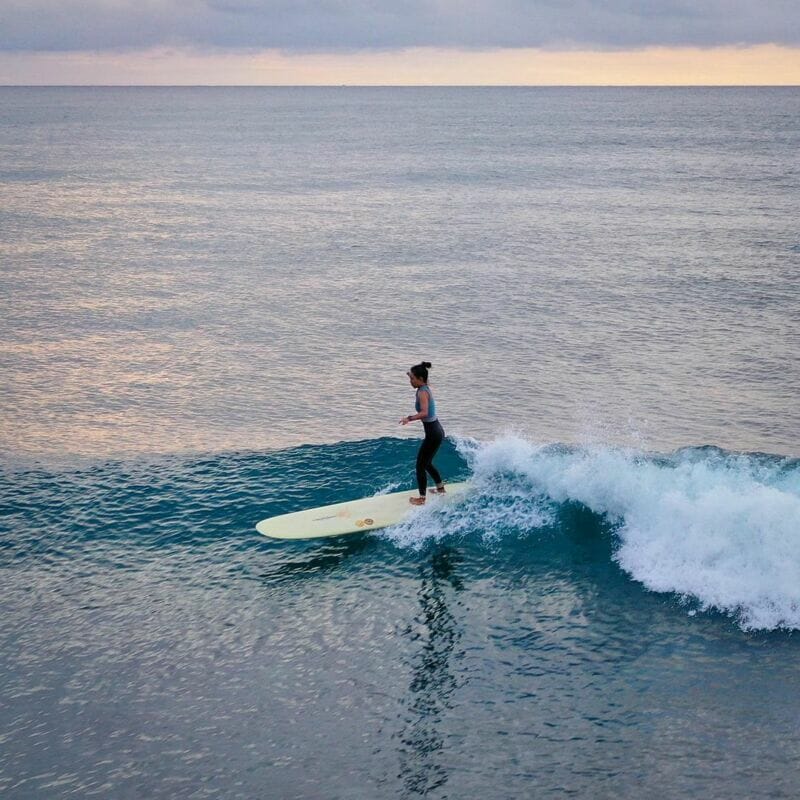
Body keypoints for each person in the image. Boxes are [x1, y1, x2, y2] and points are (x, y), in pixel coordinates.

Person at [400, 361, 446, 505]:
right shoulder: (424, 386)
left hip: (433, 433)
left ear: (420, 379)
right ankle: (440, 489)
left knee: (420, 465)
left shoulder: (422, 393)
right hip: (436, 431)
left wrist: (409, 418)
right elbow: (417, 376)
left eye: (412, 378)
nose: (410, 381)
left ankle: (422, 498)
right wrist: (411, 372)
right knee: (427, 463)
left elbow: (424, 413)